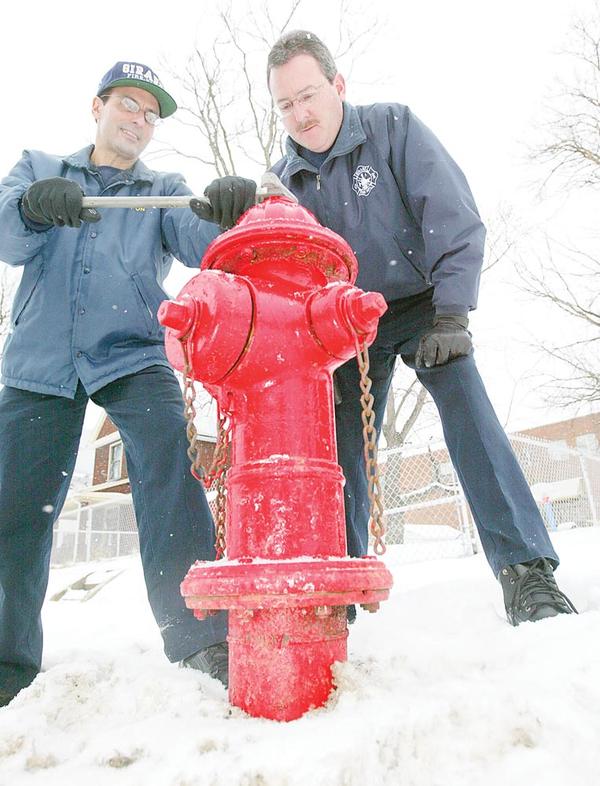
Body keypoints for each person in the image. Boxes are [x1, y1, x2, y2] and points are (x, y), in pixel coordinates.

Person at [266, 31, 577, 627]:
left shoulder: (392, 129)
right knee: (339, 446)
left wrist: (453, 314)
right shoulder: (283, 183)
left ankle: (526, 571)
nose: (300, 114)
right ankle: (339, 583)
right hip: (346, 323)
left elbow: (452, 214)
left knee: (466, 405)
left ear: (338, 86)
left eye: (308, 95)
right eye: (286, 105)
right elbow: (287, 274)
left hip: (422, 302)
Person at [0, 61, 255, 706]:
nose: (138, 120)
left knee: (171, 472)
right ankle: (7, 664)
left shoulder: (163, 188)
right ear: (98, 107)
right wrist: (31, 209)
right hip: (41, 361)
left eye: (150, 114)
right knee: (16, 511)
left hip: (131, 352)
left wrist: (226, 211)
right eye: (129, 105)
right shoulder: (39, 167)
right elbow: (6, 235)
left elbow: (202, 242)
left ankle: (200, 637)